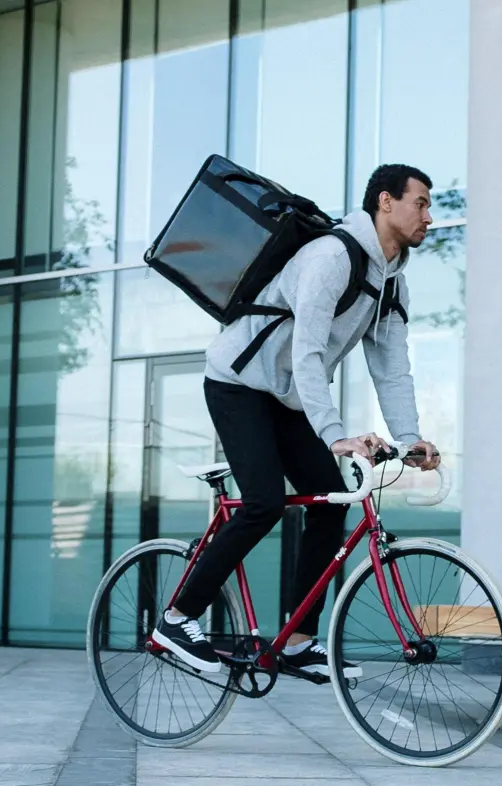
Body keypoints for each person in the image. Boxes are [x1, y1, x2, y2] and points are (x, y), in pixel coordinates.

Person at [152, 164, 443, 678]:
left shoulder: (392, 285)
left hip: (286, 400)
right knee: (263, 501)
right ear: (385, 202)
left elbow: (393, 369)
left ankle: (297, 641)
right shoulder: (331, 257)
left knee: (330, 506)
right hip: (238, 385)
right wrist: (335, 436)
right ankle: (176, 618)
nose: (428, 215)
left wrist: (410, 438)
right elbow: (308, 353)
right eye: (419, 203)